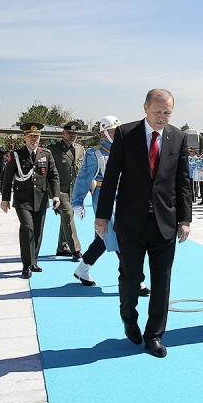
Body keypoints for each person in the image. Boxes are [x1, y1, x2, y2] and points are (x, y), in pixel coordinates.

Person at [95, 89, 192, 358]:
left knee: (162, 281)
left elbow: (183, 182)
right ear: (145, 108)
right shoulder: (126, 134)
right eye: (157, 111)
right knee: (131, 278)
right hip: (131, 221)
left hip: (165, 222)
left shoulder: (178, 137)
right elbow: (111, 177)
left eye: (167, 112)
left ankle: (155, 335)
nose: (162, 117)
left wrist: (185, 219)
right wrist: (102, 217)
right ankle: (128, 317)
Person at [70, 115, 150, 296]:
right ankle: (136, 279)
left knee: (104, 240)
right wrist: (77, 202)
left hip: (125, 198)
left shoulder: (125, 150)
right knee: (120, 237)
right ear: (104, 133)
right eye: (113, 131)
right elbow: (84, 179)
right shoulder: (95, 154)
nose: (117, 134)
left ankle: (82, 268)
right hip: (105, 198)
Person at [0, 123, 61, 279]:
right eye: (31, 136)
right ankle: (26, 265)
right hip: (22, 199)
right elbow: (7, 178)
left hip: (40, 199)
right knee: (27, 228)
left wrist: (55, 195)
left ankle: (34, 260)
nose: (35, 139)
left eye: (37, 136)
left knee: (38, 231)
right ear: (24, 137)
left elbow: (53, 176)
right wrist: (5, 199)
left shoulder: (46, 154)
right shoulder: (16, 155)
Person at [48, 121, 85, 261]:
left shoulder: (81, 149)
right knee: (68, 215)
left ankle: (62, 247)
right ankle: (76, 249)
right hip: (60, 190)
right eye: (70, 133)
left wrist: (91, 188)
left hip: (74, 191)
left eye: (75, 133)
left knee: (67, 218)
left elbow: (83, 171)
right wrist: (52, 193)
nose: (73, 135)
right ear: (63, 134)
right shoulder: (53, 149)